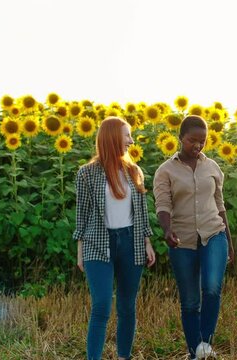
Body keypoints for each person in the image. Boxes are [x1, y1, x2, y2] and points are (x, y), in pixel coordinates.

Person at [73, 117, 156, 360]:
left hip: (131, 242)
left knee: (127, 307)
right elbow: (83, 213)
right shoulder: (87, 174)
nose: (131, 140)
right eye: (127, 135)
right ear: (112, 138)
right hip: (97, 243)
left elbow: (141, 212)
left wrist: (147, 242)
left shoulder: (134, 171)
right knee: (101, 306)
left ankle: (123, 356)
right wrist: (81, 250)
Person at [153, 115, 235, 360]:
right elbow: (163, 204)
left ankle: (205, 346)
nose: (198, 146)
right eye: (192, 140)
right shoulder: (165, 171)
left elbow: (220, 205)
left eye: (203, 141)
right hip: (182, 239)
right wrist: (167, 230)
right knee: (189, 302)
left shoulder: (212, 167)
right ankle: (194, 352)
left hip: (213, 233)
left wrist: (229, 241)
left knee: (211, 288)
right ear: (180, 138)